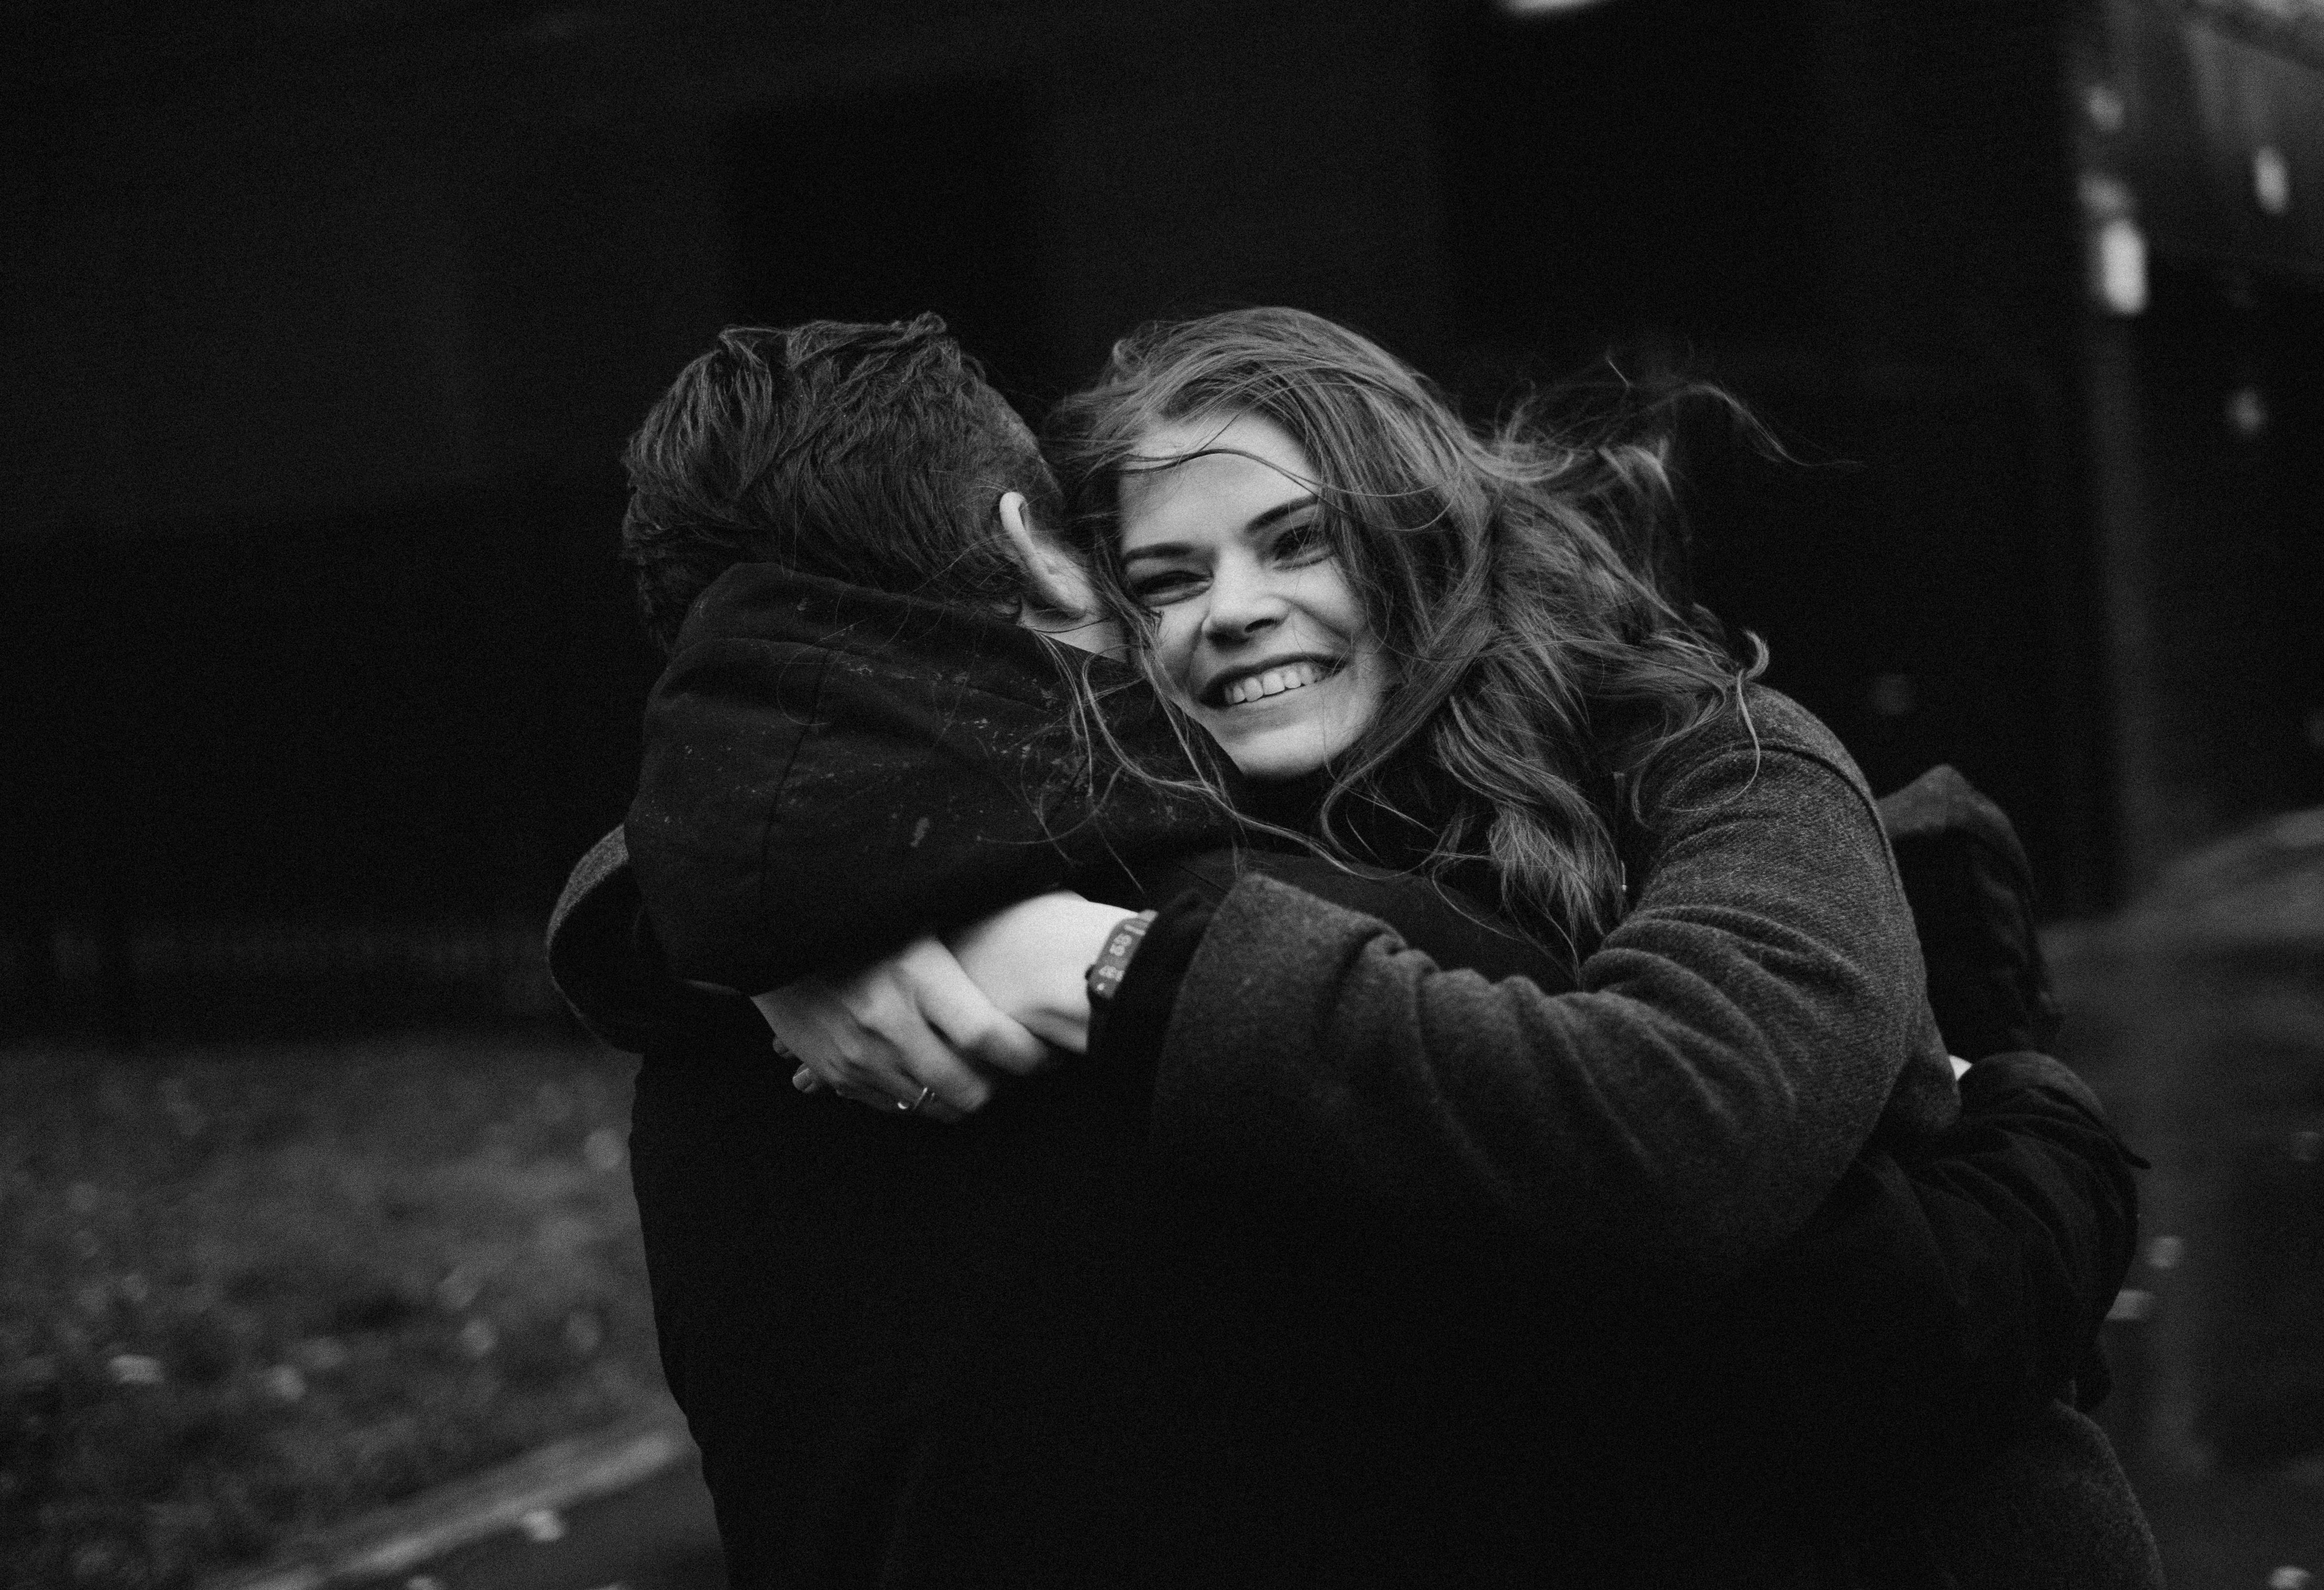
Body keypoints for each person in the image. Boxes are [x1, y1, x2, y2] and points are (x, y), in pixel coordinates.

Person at [555, 312, 2157, 1586]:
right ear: (1078, 594)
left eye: (1297, 543)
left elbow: (1737, 1168)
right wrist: (737, 931)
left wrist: (2040, 1127)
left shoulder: (1708, 756)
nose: (1231, 610)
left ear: (1423, 538)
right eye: (1166, 578)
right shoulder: (1215, 885)